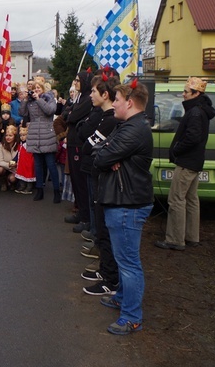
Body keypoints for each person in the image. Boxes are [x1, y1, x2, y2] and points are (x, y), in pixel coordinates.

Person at [93, 80, 154, 335]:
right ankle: (122, 299)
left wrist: (108, 155)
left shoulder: (134, 129)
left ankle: (131, 316)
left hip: (128, 204)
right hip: (122, 200)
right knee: (123, 259)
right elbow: (99, 150)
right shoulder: (127, 126)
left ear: (129, 102)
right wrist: (107, 154)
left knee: (128, 263)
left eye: (117, 99)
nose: (114, 103)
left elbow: (101, 157)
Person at [156, 77, 215, 251]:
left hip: (187, 162)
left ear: (196, 94)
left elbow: (193, 137)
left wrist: (176, 149)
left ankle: (175, 239)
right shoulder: (201, 110)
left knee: (176, 199)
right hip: (194, 162)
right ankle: (191, 236)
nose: (183, 95)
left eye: (186, 92)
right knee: (191, 200)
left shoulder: (195, 112)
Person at [78, 71, 122, 296]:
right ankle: (105, 271)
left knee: (105, 230)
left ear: (105, 94)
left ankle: (110, 279)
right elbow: (86, 144)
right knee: (102, 229)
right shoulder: (104, 117)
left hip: (104, 181)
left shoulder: (110, 120)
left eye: (94, 92)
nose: (90, 95)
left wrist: (89, 144)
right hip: (97, 177)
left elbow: (88, 146)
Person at [20, 76, 61, 202]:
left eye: (38, 88)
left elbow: (50, 111)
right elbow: (22, 112)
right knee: (37, 165)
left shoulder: (48, 98)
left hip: (46, 133)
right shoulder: (31, 100)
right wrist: (26, 100)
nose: (36, 90)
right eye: (34, 88)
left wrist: (39, 99)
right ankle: (39, 190)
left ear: (43, 89)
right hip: (34, 134)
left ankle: (56, 191)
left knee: (50, 164)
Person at [64, 69, 94, 229]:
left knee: (81, 182)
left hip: (79, 145)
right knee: (75, 180)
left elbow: (72, 117)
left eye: (78, 80)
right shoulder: (80, 98)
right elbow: (67, 114)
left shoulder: (88, 99)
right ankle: (81, 212)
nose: (75, 83)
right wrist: (69, 112)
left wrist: (70, 113)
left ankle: (86, 218)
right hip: (72, 141)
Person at [0, 124, 18, 191]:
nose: (8, 137)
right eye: (6, 135)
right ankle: (3, 183)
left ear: (15, 136)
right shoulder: (1, 145)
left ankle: (12, 184)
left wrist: (16, 164)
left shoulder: (19, 145)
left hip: (15, 168)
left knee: (12, 178)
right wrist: (8, 165)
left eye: (10, 136)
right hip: (5, 166)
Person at [14, 126, 35, 194]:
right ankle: (22, 186)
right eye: (21, 135)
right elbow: (18, 152)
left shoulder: (29, 144)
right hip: (21, 163)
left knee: (29, 175)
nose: (22, 137)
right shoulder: (20, 143)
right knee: (21, 174)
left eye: (24, 135)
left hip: (28, 162)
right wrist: (15, 159)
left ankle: (29, 187)